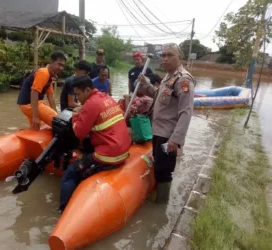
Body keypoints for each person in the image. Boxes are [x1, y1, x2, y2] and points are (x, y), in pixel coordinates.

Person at [59, 76, 132, 212]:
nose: (77, 99)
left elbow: (79, 133)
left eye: (78, 94)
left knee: (70, 173)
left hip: (109, 155)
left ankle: (64, 210)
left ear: (87, 90)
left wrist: (76, 115)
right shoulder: (106, 98)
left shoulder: (90, 104)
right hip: (123, 149)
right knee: (87, 145)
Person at [138, 43, 195, 203]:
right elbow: (159, 95)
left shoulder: (183, 80)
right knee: (158, 167)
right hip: (157, 131)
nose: (165, 58)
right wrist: (146, 84)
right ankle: (157, 196)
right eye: (163, 55)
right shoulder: (169, 77)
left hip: (168, 136)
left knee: (164, 172)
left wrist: (175, 140)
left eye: (170, 55)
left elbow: (186, 112)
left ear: (180, 58)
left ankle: (161, 208)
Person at [17, 51, 66, 129]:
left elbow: (51, 98)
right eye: (59, 64)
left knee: (37, 128)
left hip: (28, 104)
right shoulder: (44, 73)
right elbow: (34, 92)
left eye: (63, 66)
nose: (61, 68)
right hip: (29, 104)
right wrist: (36, 117)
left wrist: (57, 116)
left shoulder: (49, 76)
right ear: (51, 62)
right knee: (61, 126)